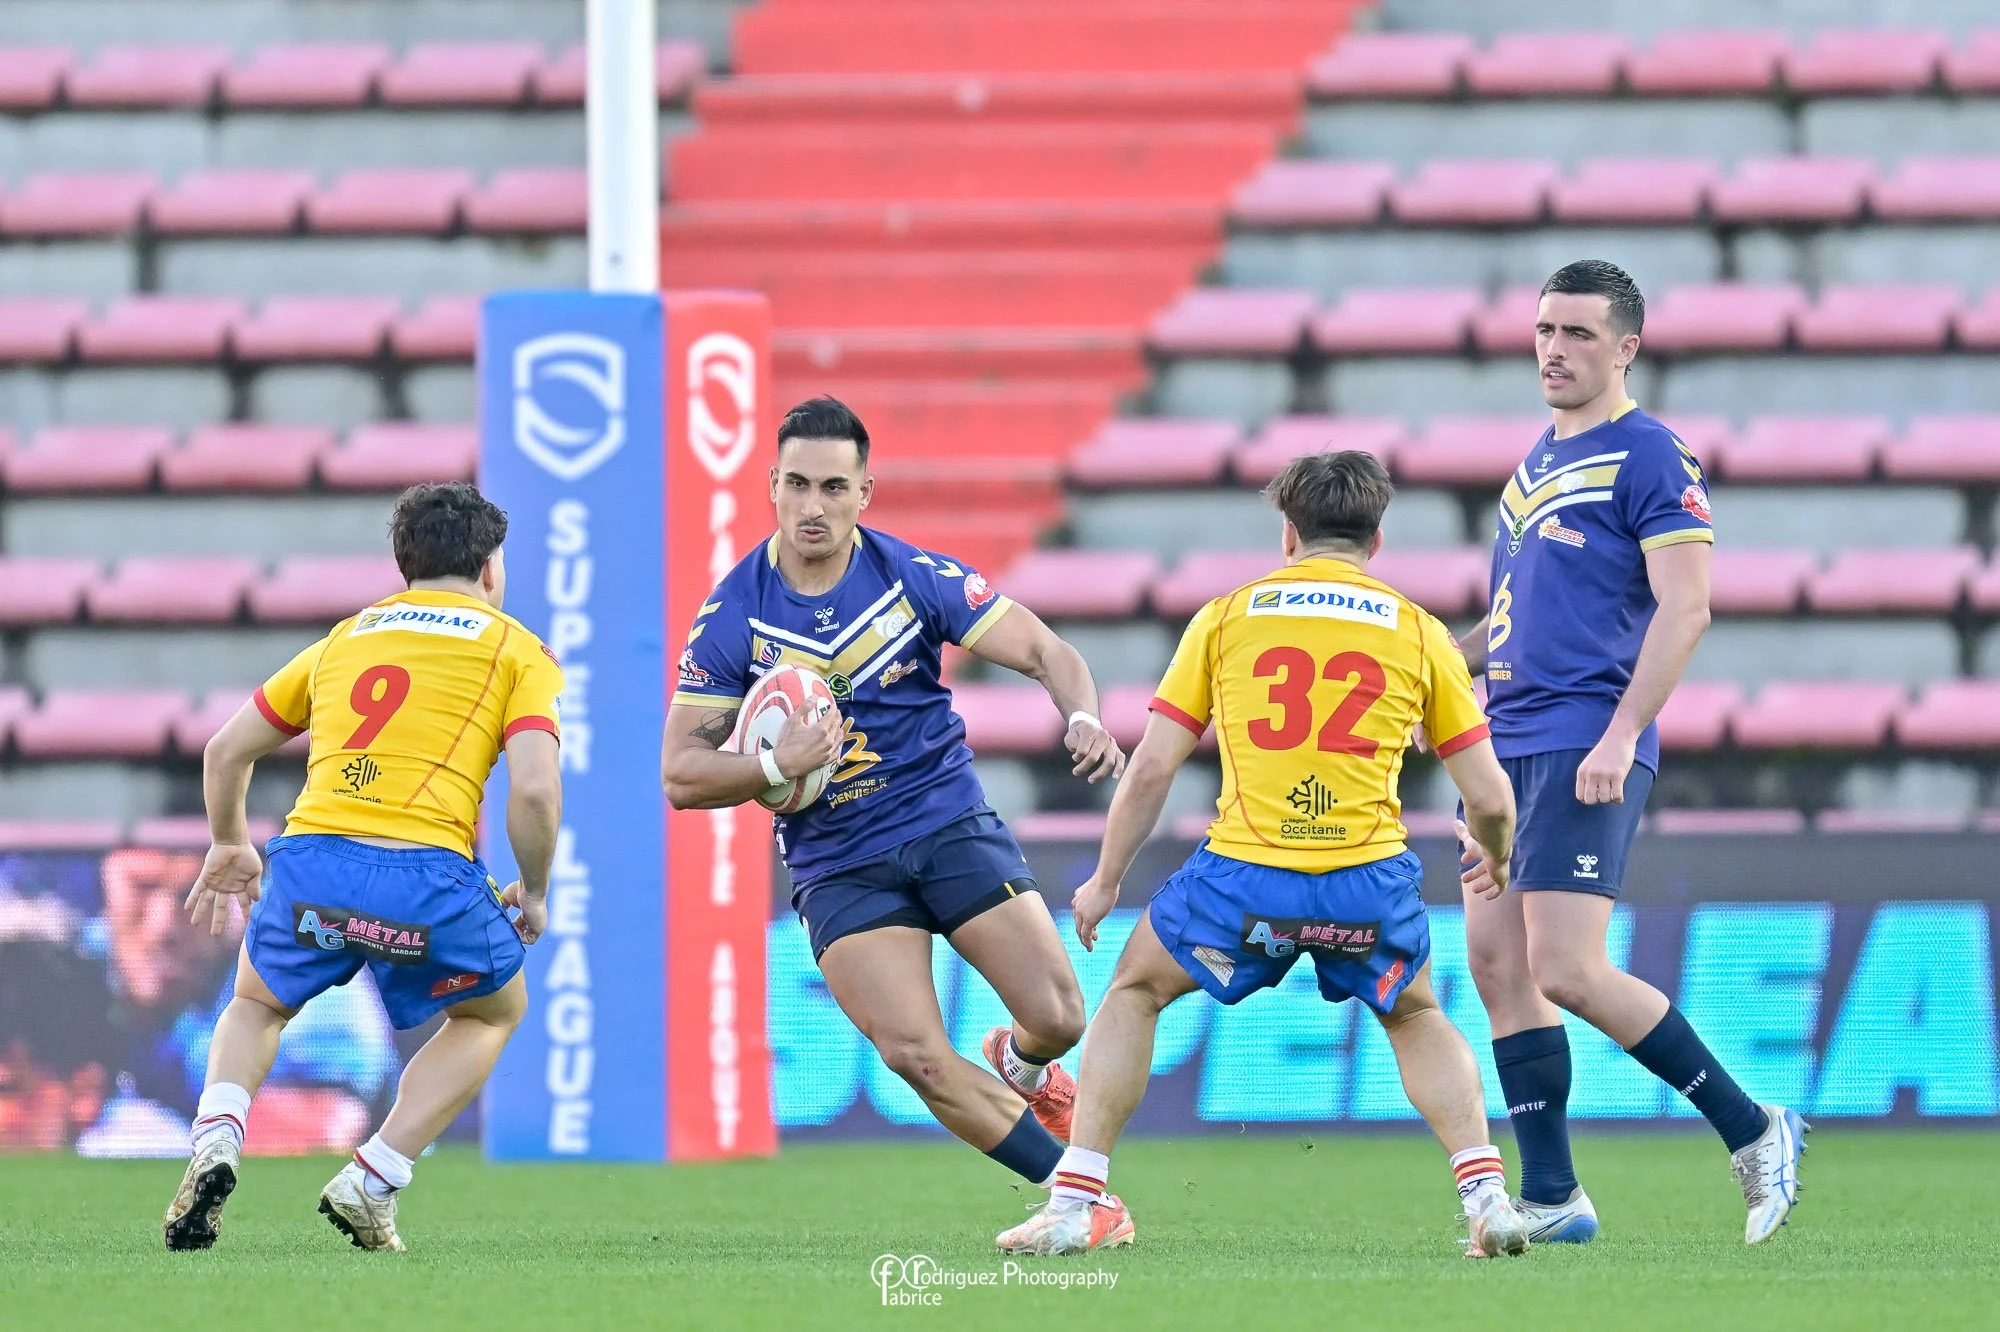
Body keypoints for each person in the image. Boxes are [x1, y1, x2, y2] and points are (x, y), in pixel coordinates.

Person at [997, 450, 1532, 1259]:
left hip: (1244, 882)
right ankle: (1485, 1195)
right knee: (1414, 1010)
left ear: (1289, 532)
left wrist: (1106, 879)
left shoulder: (1228, 617)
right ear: (1377, 540)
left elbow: (1151, 767)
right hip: (1365, 881)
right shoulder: (1421, 633)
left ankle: (1076, 1204)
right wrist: (1496, 855)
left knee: (1136, 990)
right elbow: (1491, 797)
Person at [662, 396, 1125, 1189]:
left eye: (834, 489)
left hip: (944, 821)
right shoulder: (732, 617)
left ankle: (1022, 1064)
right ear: (771, 485)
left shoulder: (912, 578)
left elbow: (1047, 650)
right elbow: (680, 773)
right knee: (915, 1055)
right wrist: (776, 766)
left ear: (864, 492)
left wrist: (1082, 713)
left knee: (1059, 1018)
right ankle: (1074, 1197)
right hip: (839, 860)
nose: (814, 507)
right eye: (798, 485)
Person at [1454, 260, 1805, 1246]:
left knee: (1563, 967)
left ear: (1624, 347)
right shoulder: (1533, 461)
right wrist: (1448, 655)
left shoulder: (1649, 454)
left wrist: (1617, 735)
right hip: (1503, 740)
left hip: (1580, 736)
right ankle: (1554, 1194)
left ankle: (1753, 1129)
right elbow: (1518, 612)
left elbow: (1685, 606)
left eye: (1574, 333)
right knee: (1494, 962)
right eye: (1541, 331)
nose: (1552, 350)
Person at [162, 481, 564, 1253]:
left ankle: (217, 1131)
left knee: (254, 1005)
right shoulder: (517, 649)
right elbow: (537, 791)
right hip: (428, 876)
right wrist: (535, 888)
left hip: (312, 865)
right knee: (494, 1012)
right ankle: (374, 1178)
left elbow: (225, 751)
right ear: (489, 568)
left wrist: (228, 843)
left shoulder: (346, 638)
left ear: (403, 563)